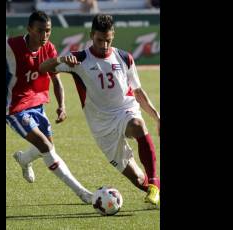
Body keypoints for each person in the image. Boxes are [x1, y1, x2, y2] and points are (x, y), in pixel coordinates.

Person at [39, 14, 160, 206]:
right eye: (99, 40)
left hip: (124, 111)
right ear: (91, 35)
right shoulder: (79, 60)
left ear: (113, 35)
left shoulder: (124, 57)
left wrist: (157, 117)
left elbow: (137, 91)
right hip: (102, 127)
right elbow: (42, 67)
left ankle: (154, 182)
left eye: (108, 40)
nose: (104, 45)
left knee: (137, 124)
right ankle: (152, 187)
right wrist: (62, 58)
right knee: (137, 179)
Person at [6, 11, 92, 204]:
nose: (44, 35)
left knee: (48, 147)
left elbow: (56, 80)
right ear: (29, 29)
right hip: (15, 107)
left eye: (48, 31)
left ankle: (23, 159)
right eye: (40, 31)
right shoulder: (12, 46)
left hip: (38, 104)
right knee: (45, 146)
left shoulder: (50, 48)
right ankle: (83, 193)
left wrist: (62, 106)